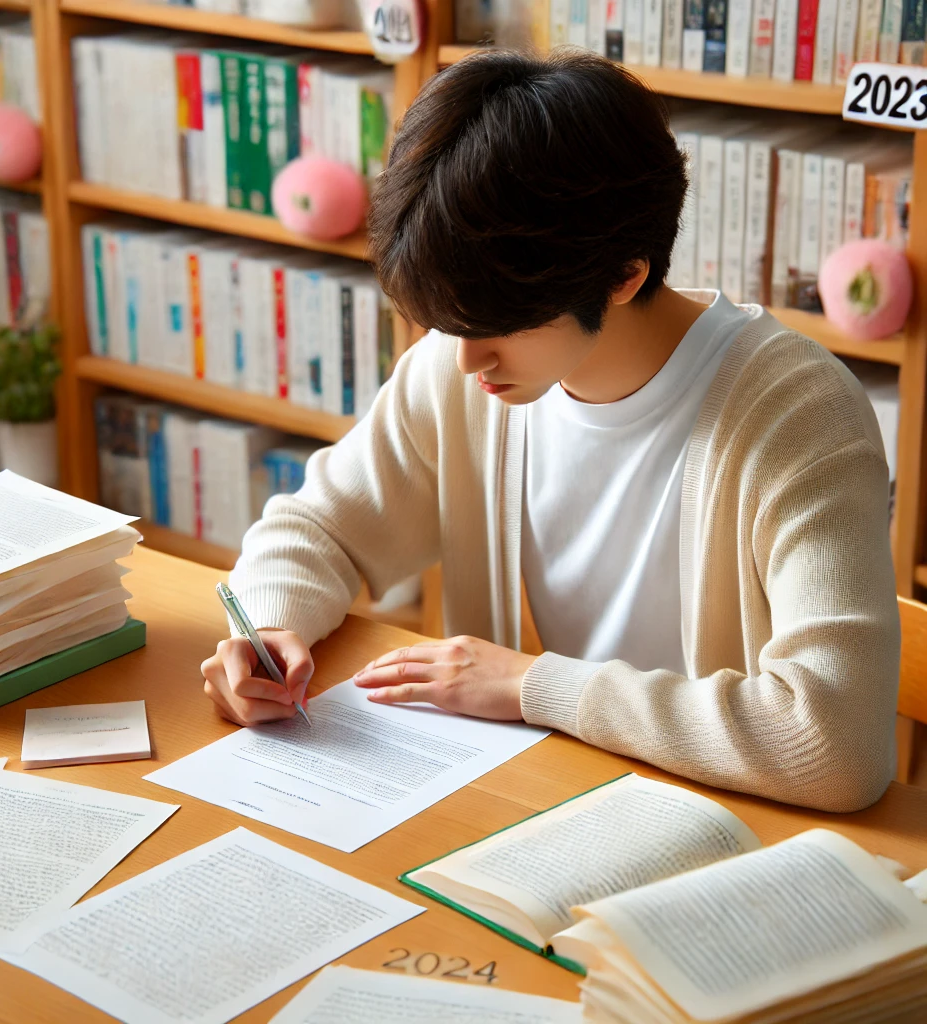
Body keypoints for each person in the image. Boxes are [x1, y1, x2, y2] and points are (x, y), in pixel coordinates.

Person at [201, 49, 899, 813]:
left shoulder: (797, 413)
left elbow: (836, 744)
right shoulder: (463, 366)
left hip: (725, 830)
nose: (467, 359)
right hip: (519, 809)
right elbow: (318, 528)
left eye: (498, 324)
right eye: (450, 323)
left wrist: (534, 685)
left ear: (624, 275)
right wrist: (269, 629)